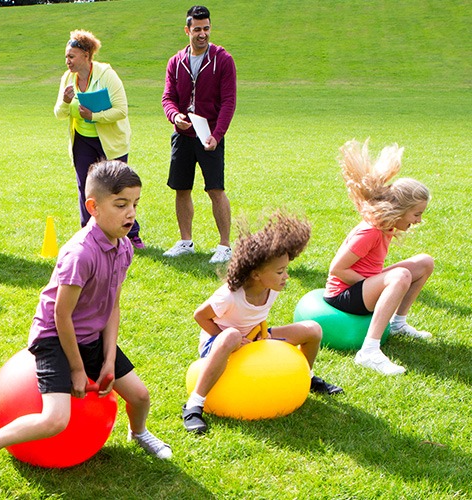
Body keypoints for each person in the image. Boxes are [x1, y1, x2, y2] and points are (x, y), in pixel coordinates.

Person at [0, 161, 170, 490]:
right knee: (56, 419)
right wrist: (76, 368)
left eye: (135, 204)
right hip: (55, 338)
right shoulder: (80, 254)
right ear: (93, 207)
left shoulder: (123, 247)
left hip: (92, 336)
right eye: (121, 204)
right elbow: (61, 316)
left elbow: (112, 304)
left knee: (140, 396)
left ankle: (138, 433)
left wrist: (109, 358)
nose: (131, 213)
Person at [182, 213, 343, 435]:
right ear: (256, 274)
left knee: (312, 330)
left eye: (286, 269)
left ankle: (307, 376)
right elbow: (200, 315)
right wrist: (231, 338)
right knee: (231, 336)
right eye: (280, 271)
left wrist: (261, 334)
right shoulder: (230, 296)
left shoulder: (271, 288)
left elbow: (259, 314)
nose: (286, 276)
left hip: (255, 337)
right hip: (219, 345)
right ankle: (194, 405)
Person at [325, 139, 434, 375]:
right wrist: (376, 286)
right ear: (400, 209)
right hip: (341, 295)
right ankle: (369, 351)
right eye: (416, 214)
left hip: (363, 287)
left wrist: (376, 284)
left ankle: (397, 324)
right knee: (400, 276)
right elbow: (336, 269)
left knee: (425, 262)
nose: (418, 220)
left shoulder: (387, 226)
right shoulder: (371, 230)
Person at [161, 5, 238, 264]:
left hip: (210, 136)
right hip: (182, 136)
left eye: (206, 28)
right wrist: (175, 117)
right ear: (187, 30)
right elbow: (168, 98)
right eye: (197, 29)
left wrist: (217, 135)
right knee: (181, 189)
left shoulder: (223, 59)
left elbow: (229, 102)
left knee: (215, 189)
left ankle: (225, 246)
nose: (202, 34)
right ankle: (186, 241)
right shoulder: (176, 61)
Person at [55, 29, 143, 250]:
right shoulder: (67, 78)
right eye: (66, 56)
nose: (67, 61)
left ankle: (131, 234)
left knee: (118, 188)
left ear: (86, 55)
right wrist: (66, 102)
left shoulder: (106, 75)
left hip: (111, 142)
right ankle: (89, 234)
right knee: (86, 187)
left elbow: (121, 110)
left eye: (71, 56)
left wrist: (95, 116)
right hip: (82, 141)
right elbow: (58, 113)